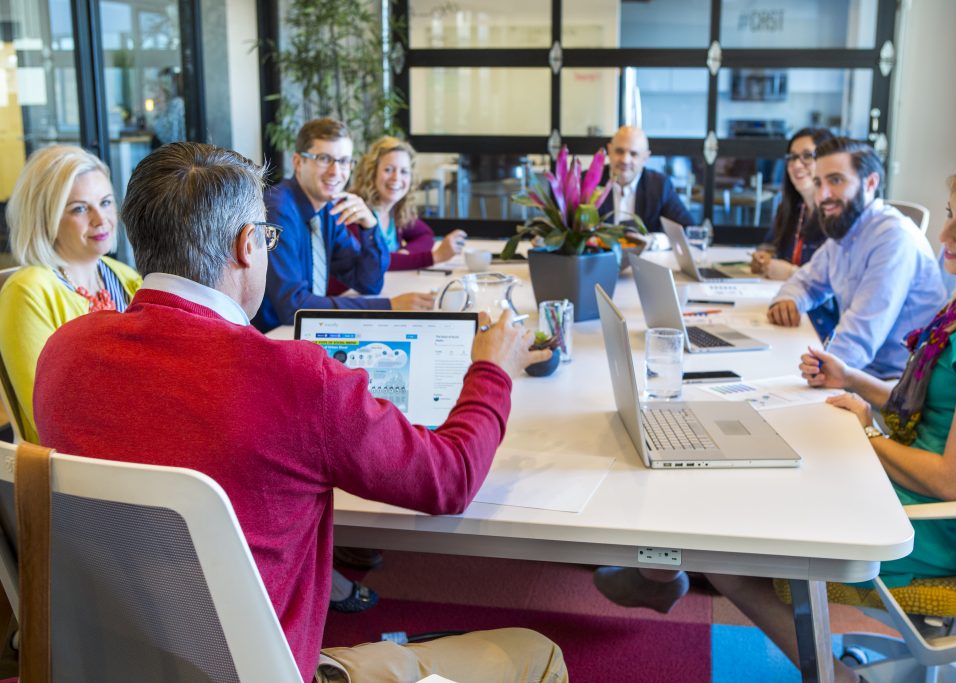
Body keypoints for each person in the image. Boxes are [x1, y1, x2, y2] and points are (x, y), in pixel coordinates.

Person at [33, 141, 564, 683]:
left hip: (111, 664)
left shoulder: (63, 353)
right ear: (246, 246)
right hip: (255, 672)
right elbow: (449, 478)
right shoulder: (292, 378)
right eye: (266, 235)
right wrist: (492, 369)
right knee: (536, 652)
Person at [708, 151, 956, 683]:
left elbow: (954, 480)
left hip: (930, 526)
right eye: (949, 213)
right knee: (763, 485)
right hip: (907, 495)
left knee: (729, 553)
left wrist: (864, 439)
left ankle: (831, 675)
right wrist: (853, 381)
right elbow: (936, 410)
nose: (944, 231)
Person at [767, 137, 946, 378]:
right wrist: (788, 301)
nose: (823, 195)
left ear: (870, 183)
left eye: (836, 180)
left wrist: (816, 371)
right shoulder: (846, 232)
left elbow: (860, 335)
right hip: (859, 373)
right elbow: (806, 281)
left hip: (894, 385)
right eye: (818, 183)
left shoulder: (893, 237)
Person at [0, 145, 141, 444]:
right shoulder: (27, 292)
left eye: (105, 203)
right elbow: (48, 419)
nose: (100, 219)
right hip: (73, 472)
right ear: (45, 217)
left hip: (138, 448)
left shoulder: (128, 278)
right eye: (80, 208)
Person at [253, 118, 434, 332]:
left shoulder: (328, 209)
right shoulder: (277, 211)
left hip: (298, 335)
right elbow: (293, 307)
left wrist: (369, 227)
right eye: (324, 159)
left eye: (344, 161)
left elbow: (368, 283)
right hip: (269, 339)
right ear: (298, 162)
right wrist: (388, 306)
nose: (336, 171)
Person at [751, 127, 839, 340]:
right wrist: (763, 257)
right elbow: (769, 246)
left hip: (818, 326)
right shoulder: (792, 208)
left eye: (807, 156)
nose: (796, 165)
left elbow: (836, 291)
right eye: (792, 157)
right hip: (788, 312)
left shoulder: (837, 216)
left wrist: (789, 272)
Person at [350, 136, 466, 271]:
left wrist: (405, 254)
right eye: (388, 170)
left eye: (404, 171)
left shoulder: (395, 210)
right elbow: (375, 262)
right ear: (372, 173)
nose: (396, 178)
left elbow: (426, 235)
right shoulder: (357, 211)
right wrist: (435, 257)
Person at [597, 126, 694, 231]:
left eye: (633, 154)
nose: (625, 160)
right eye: (619, 151)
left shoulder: (660, 185)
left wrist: (653, 241)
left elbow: (687, 228)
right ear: (610, 151)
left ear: (645, 158)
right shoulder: (588, 182)